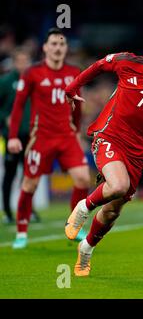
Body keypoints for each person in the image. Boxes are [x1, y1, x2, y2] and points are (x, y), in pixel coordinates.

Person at [64, 27, 143, 276]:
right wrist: (73, 88)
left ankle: (86, 249)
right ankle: (82, 209)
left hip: (137, 154)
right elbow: (99, 65)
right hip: (109, 136)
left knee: (111, 212)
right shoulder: (127, 62)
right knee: (117, 185)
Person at [7, 28, 91, 249]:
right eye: (53, 43)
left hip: (66, 135)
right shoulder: (33, 73)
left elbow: (78, 104)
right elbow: (18, 106)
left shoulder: (74, 72)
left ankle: (74, 226)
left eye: (61, 44)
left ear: (65, 49)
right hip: (41, 136)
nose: (57, 48)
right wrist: (13, 137)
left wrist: (77, 130)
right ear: (45, 47)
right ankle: (22, 232)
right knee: (29, 184)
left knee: (83, 178)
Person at [0, 48, 41, 224]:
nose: (23, 64)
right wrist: (5, 118)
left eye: (26, 61)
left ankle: (28, 210)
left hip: (31, 137)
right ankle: (8, 212)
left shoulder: (36, 82)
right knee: (10, 174)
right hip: (12, 136)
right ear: (15, 62)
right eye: (20, 61)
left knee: (30, 174)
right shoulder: (5, 82)